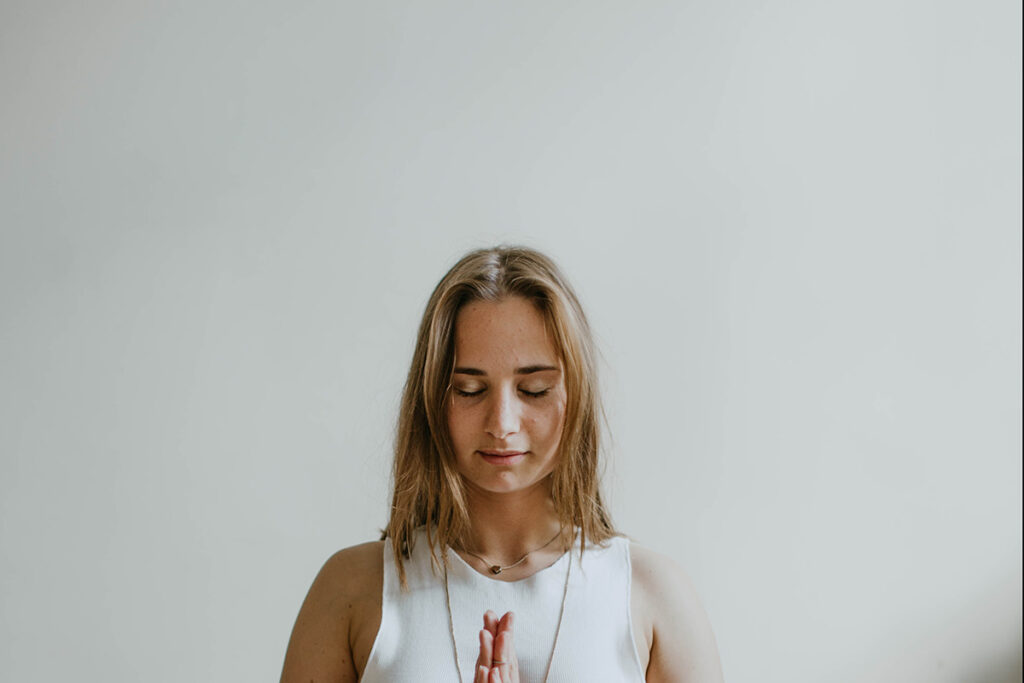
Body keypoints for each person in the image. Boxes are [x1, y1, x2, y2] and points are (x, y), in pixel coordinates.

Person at [280, 246, 724, 682]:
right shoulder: (352, 590)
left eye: (534, 389)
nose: (502, 423)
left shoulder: (652, 594)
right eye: (470, 390)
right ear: (431, 400)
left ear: (578, 396)